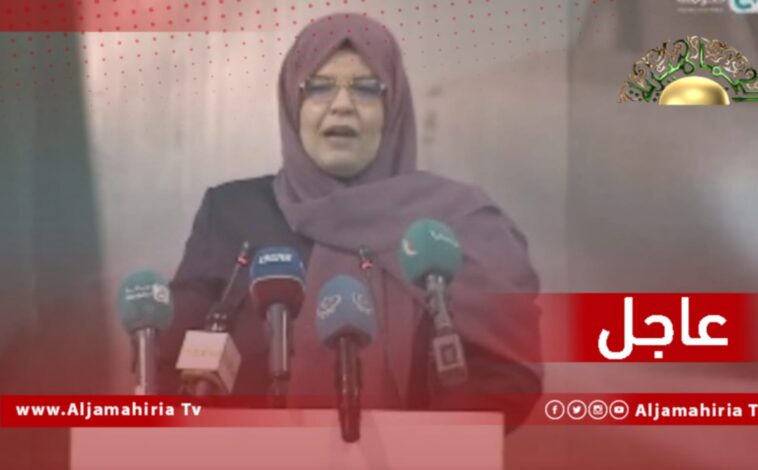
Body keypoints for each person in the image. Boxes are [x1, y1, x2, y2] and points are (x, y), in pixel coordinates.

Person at [159, 13, 542, 429]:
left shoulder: (457, 222)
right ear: (293, 103)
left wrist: (421, 448)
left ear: (393, 108)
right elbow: (168, 368)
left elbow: (505, 377)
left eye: (365, 88)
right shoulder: (233, 214)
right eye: (319, 87)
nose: (342, 104)